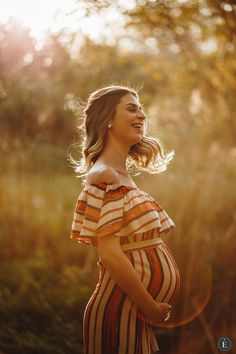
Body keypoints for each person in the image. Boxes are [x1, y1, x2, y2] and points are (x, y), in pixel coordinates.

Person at [69, 85, 181, 354]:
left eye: (141, 109)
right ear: (108, 119)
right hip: (117, 312)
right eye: (131, 108)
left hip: (132, 313)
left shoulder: (121, 175)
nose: (141, 115)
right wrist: (150, 307)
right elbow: (110, 256)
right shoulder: (104, 175)